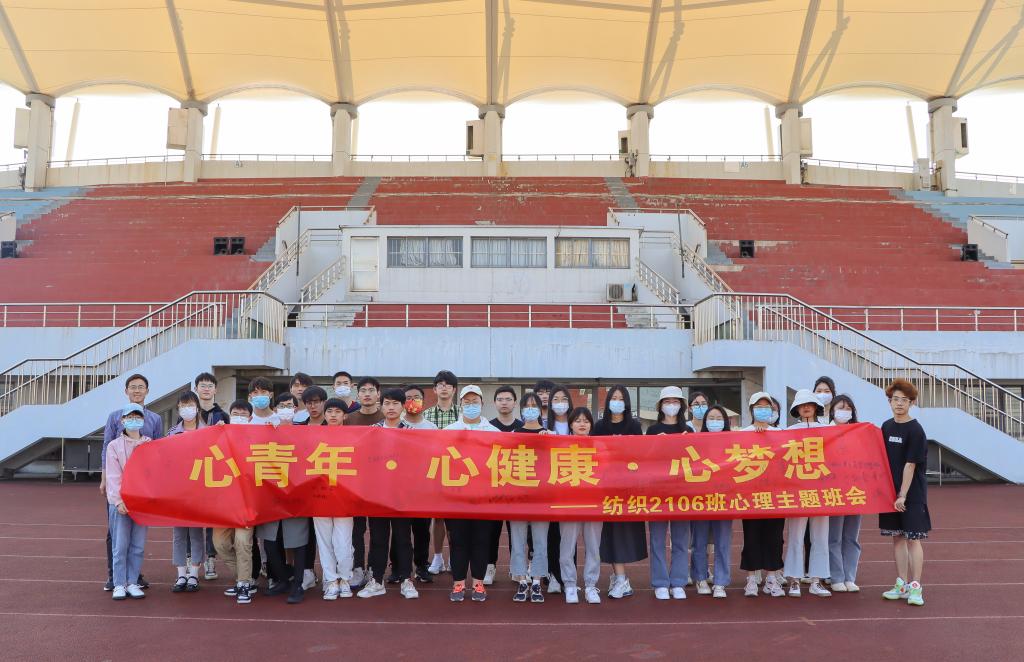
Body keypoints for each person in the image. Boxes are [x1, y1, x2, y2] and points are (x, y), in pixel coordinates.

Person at [100, 373, 163, 591]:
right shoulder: (114, 418)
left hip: (141, 491)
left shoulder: (155, 419)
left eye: (141, 387)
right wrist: (104, 478)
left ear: (147, 391)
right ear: (126, 391)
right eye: (133, 387)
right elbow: (106, 447)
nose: (137, 390)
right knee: (116, 535)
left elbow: (159, 451)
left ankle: (134, 578)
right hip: (118, 488)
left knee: (137, 539)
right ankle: (115, 577)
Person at [444, 385, 500, 602]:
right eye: (466, 402)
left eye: (474, 402)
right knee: (458, 541)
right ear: (460, 405)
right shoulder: (449, 431)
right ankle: (458, 583)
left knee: (481, 541)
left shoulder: (494, 432)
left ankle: (478, 583)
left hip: (484, 499)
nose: (470, 406)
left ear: (482, 404)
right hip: (456, 498)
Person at [361, 389, 419, 600]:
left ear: (403, 406)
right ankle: (376, 580)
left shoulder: (412, 432)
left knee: (403, 538)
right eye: (387, 403)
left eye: (395, 403)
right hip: (377, 495)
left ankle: (406, 579)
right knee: (378, 538)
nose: (391, 407)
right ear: (381, 406)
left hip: (402, 496)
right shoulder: (372, 431)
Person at [879, 379, 930, 607]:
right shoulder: (886, 426)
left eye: (904, 400)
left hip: (911, 494)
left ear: (911, 403)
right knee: (897, 537)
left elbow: (910, 465)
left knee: (912, 539)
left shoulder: (916, 430)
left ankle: (916, 587)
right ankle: (901, 584)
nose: (899, 403)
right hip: (890, 492)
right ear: (890, 402)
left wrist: (902, 495)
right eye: (895, 399)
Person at [595, 385, 646, 599]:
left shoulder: (634, 425)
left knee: (623, 533)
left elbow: (640, 454)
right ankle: (619, 577)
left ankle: (621, 578)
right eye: (613, 398)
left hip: (627, 489)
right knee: (607, 534)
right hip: (605, 488)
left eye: (621, 398)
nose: (617, 402)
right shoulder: (599, 426)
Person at [783, 389, 831, 598]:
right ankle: (794, 579)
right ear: (796, 409)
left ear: (816, 407)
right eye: (801, 405)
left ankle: (816, 580)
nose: (806, 408)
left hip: (821, 491)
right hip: (797, 491)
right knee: (795, 536)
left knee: (820, 537)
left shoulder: (828, 430)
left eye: (810, 404)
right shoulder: (789, 431)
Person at [739, 392, 786, 598]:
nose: (763, 410)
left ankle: (772, 579)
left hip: (776, 495)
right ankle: (751, 579)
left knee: (774, 538)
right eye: (758, 407)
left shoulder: (780, 433)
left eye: (767, 407)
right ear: (751, 410)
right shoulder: (743, 433)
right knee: (751, 537)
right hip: (751, 496)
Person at [647, 386, 691, 601]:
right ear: (660, 406)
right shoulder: (652, 430)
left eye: (675, 402)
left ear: (681, 406)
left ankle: (679, 581)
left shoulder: (688, 430)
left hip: (682, 491)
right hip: (658, 491)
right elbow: (646, 459)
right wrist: (658, 444)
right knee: (657, 540)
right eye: (667, 402)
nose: (671, 405)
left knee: (681, 540)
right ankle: (660, 582)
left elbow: (696, 460)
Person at [105, 404, 152, 601]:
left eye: (137, 417)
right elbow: (113, 476)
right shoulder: (114, 446)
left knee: (138, 545)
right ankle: (118, 583)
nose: (134, 420)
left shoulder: (150, 444)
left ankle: (132, 581)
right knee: (120, 545)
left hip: (141, 503)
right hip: (121, 503)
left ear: (143, 420)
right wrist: (118, 501)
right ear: (122, 420)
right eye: (129, 417)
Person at [214, 399, 258, 604]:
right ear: (229, 415)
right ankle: (246, 578)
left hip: (247, 504)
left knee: (242, 543)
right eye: (235, 414)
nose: (239, 417)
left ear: (250, 417)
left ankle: (243, 583)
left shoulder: (257, 438)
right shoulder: (220, 436)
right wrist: (215, 433)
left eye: (243, 414)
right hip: (223, 504)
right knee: (220, 544)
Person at [312, 398, 355, 600]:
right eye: (330, 411)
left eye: (338, 411)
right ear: (325, 414)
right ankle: (330, 580)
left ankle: (345, 578)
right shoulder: (314, 436)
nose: (333, 415)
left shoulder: (355, 437)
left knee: (343, 543)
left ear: (345, 415)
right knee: (324, 543)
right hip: (320, 496)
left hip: (345, 498)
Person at [343, 378, 383, 589]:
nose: (367, 394)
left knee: (378, 530)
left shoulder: (387, 417)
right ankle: (357, 567)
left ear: (378, 394)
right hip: (354, 483)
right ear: (357, 394)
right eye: (363, 390)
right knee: (356, 530)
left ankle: (375, 569)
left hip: (380, 484)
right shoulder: (348, 419)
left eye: (371, 390)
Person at [560, 407, 603, 604]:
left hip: (594, 504)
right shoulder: (560, 445)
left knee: (593, 547)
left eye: (586, 421)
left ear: (591, 425)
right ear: (570, 424)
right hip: (569, 504)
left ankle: (591, 585)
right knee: (567, 547)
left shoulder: (599, 446)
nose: (582, 424)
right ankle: (570, 585)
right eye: (577, 420)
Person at [692, 405, 734, 599]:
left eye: (719, 418)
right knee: (699, 542)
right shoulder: (697, 442)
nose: (715, 421)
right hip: (701, 500)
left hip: (724, 500)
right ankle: (700, 578)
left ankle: (720, 582)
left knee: (722, 542)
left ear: (725, 421)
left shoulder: (733, 443)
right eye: (711, 418)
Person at [167, 392, 206, 593]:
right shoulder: (173, 432)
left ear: (197, 407)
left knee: (196, 533)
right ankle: (181, 574)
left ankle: (194, 574)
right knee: (179, 534)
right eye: (183, 406)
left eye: (190, 405)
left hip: (199, 491)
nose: (187, 409)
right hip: (178, 492)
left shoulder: (207, 431)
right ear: (178, 409)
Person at [542, 384, 577, 593]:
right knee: (552, 534)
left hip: (573, 487)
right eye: (556, 399)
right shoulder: (544, 424)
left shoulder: (577, 424)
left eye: (563, 399)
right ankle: (553, 575)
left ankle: (569, 577)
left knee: (570, 536)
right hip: (550, 488)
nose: (560, 403)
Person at [487, 386, 522, 587]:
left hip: (517, 487)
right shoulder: (488, 427)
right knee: (491, 530)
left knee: (516, 531)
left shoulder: (523, 427)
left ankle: (517, 568)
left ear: (515, 402)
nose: (504, 402)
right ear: (495, 403)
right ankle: (490, 566)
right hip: (493, 487)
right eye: (500, 399)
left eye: (508, 399)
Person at [425, 370, 459, 575]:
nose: (444, 388)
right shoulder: (426, 415)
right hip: (434, 470)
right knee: (437, 517)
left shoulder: (463, 414)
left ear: (454, 390)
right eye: (440, 385)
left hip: (458, 472)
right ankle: (437, 557)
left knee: (455, 518)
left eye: (448, 385)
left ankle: (455, 556)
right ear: (435, 389)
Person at [401, 384, 436, 583]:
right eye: (408, 397)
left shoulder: (431, 427)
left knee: (422, 530)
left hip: (423, 488)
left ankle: (422, 566)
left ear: (423, 401)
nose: (412, 401)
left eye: (416, 397)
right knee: (401, 530)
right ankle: (398, 566)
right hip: (400, 487)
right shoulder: (396, 425)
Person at [828, 394, 862, 593]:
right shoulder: (825, 432)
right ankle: (836, 576)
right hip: (833, 492)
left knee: (851, 536)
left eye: (848, 408)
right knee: (834, 537)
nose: (844, 411)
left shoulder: (859, 432)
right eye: (841, 407)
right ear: (832, 410)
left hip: (854, 491)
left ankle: (850, 576)